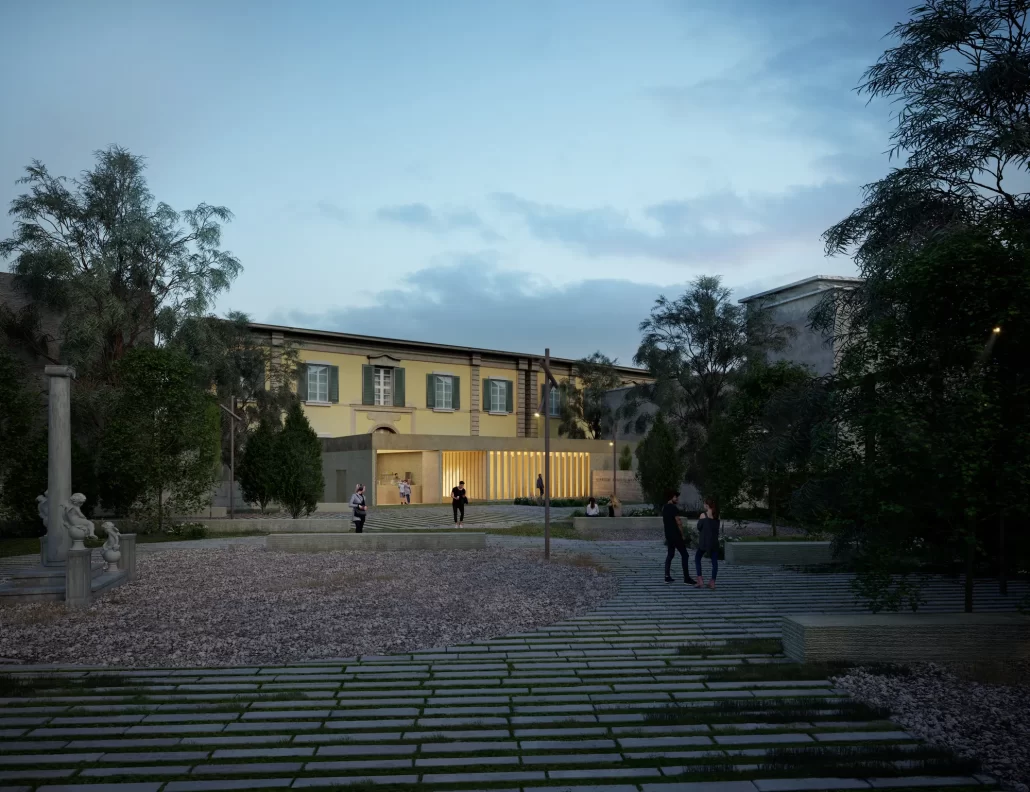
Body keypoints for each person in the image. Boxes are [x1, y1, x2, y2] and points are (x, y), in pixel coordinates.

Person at [663, 490, 689, 583]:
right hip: (676, 535)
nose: (677, 498)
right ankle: (686, 578)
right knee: (685, 555)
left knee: (670, 554)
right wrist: (682, 534)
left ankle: (667, 576)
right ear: (670, 498)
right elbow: (678, 522)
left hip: (668, 535)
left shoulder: (664, 508)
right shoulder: (673, 508)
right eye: (675, 497)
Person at [695, 496, 721, 589]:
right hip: (714, 541)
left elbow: (699, 527)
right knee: (715, 562)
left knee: (697, 558)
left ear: (706, 505)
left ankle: (700, 579)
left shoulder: (703, 515)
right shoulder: (717, 515)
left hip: (704, 541)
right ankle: (712, 582)